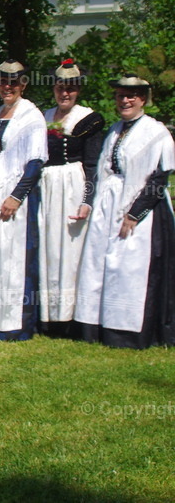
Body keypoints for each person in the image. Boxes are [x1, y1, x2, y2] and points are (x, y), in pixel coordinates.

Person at [75, 74, 175, 349]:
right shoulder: (115, 130)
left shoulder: (155, 132)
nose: (125, 101)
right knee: (100, 264)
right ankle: (100, 326)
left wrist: (135, 214)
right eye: (121, 96)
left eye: (132, 96)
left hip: (143, 208)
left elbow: (159, 177)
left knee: (130, 267)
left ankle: (130, 332)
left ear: (143, 99)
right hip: (110, 205)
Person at [38, 59, 105, 337]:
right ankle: (47, 316)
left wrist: (87, 199)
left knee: (71, 248)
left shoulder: (89, 119)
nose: (65, 94)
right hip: (48, 186)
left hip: (73, 185)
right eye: (60, 88)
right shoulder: (45, 116)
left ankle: (70, 316)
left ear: (78, 90)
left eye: (71, 89)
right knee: (49, 246)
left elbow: (93, 164)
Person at [0, 60, 47, 341]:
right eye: (3, 81)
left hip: (18, 198)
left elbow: (36, 162)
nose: (7, 87)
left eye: (13, 82)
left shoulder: (31, 116)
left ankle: (19, 325)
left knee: (17, 259)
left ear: (23, 84)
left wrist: (16, 196)